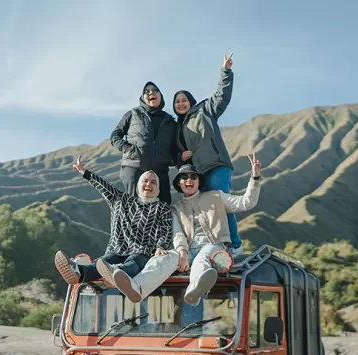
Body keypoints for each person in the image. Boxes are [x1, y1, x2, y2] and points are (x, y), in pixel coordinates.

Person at [54, 154, 178, 303]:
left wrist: (161, 246)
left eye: (153, 182)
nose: (148, 184)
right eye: (145, 180)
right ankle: (79, 272)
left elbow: (165, 230)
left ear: (157, 187)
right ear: (139, 184)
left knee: (132, 263)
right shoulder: (121, 200)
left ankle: (116, 275)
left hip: (142, 251)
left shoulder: (162, 208)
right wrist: (84, 172)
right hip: (116, 248)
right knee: (103, 262)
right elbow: (104, 187)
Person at [173, 53, 245, 257]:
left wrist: (226, 71)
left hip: (215, 165)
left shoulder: (205, 109)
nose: (180, 103)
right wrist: (181, 158)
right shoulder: (177, 127)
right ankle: (210, 245)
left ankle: (235, 244)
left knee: (222, 204)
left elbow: (222, 96)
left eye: (183, 100)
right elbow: (175, 155)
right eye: (177, 101)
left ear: (191, 101)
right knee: (203, 211)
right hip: (196, 174)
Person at [171, 154, 261, 306]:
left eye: (194, 176)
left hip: (213, 245)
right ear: (179, 183)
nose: (189, 180)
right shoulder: (176, 209)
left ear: (199, 182)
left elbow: (247, 202)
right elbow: (177, 234)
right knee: (167, 259)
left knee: (202, 259)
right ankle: (139, 287)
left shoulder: (217, 197)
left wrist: (255, 178)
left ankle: (194, 292)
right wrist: (182, 252)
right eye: (184, 177)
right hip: (188, 250)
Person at [110, 81, 177, 205]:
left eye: (155, 90)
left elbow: (174, 148)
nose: (151, 93)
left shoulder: (170, 121)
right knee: (133, 208)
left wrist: (172, 159)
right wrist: (126, 148)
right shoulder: (133, 114)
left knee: (164, 207)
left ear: (160, 95)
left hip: (160, 171)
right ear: (142, 97)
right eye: (147, 91)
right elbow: (115, 135)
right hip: (134, 167)